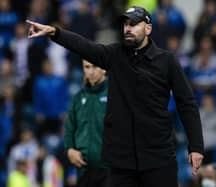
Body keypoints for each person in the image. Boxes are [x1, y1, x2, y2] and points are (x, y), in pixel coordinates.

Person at [26, 6, 204, 187]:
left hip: (158, 158)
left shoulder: (167, 61)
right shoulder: (115, 55)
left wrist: (196, 146)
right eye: (125, 24)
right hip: (121, 163)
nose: (128, 28)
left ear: (148, 29)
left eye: (134, 24)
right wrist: (55, 32)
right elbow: (85, 47)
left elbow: (187, 103)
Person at [64, 60, 109, 187]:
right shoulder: (78, 97)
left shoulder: (115, 93)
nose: (91, 71)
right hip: (84, 169)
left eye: (95, 66)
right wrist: (69, 150)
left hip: (109, 169)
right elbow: (69, 128)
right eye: (87, 67)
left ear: (104, 68)